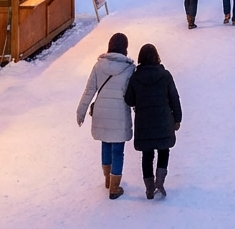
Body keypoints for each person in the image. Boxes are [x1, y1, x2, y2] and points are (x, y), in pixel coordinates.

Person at [76, 33, 135, 200]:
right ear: (125, 47)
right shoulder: (129, 68)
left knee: (106, 144)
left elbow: (89, 90)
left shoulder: (99, 65)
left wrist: (81, 111)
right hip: (119, 113)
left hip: (101, 112)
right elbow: (132, 94)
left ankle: (108, 180)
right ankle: (115, 187)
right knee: (118, 150)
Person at [125, 44, 182, 201]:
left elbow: (129, 99)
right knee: (164, 150)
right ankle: (160, 182)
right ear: (156, 57)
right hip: (164, 120)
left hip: (144, 122)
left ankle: (149, 188)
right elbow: (174, 98)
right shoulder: (165, 75)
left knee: (147, 154)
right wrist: (177, 118)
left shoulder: (135, 77)